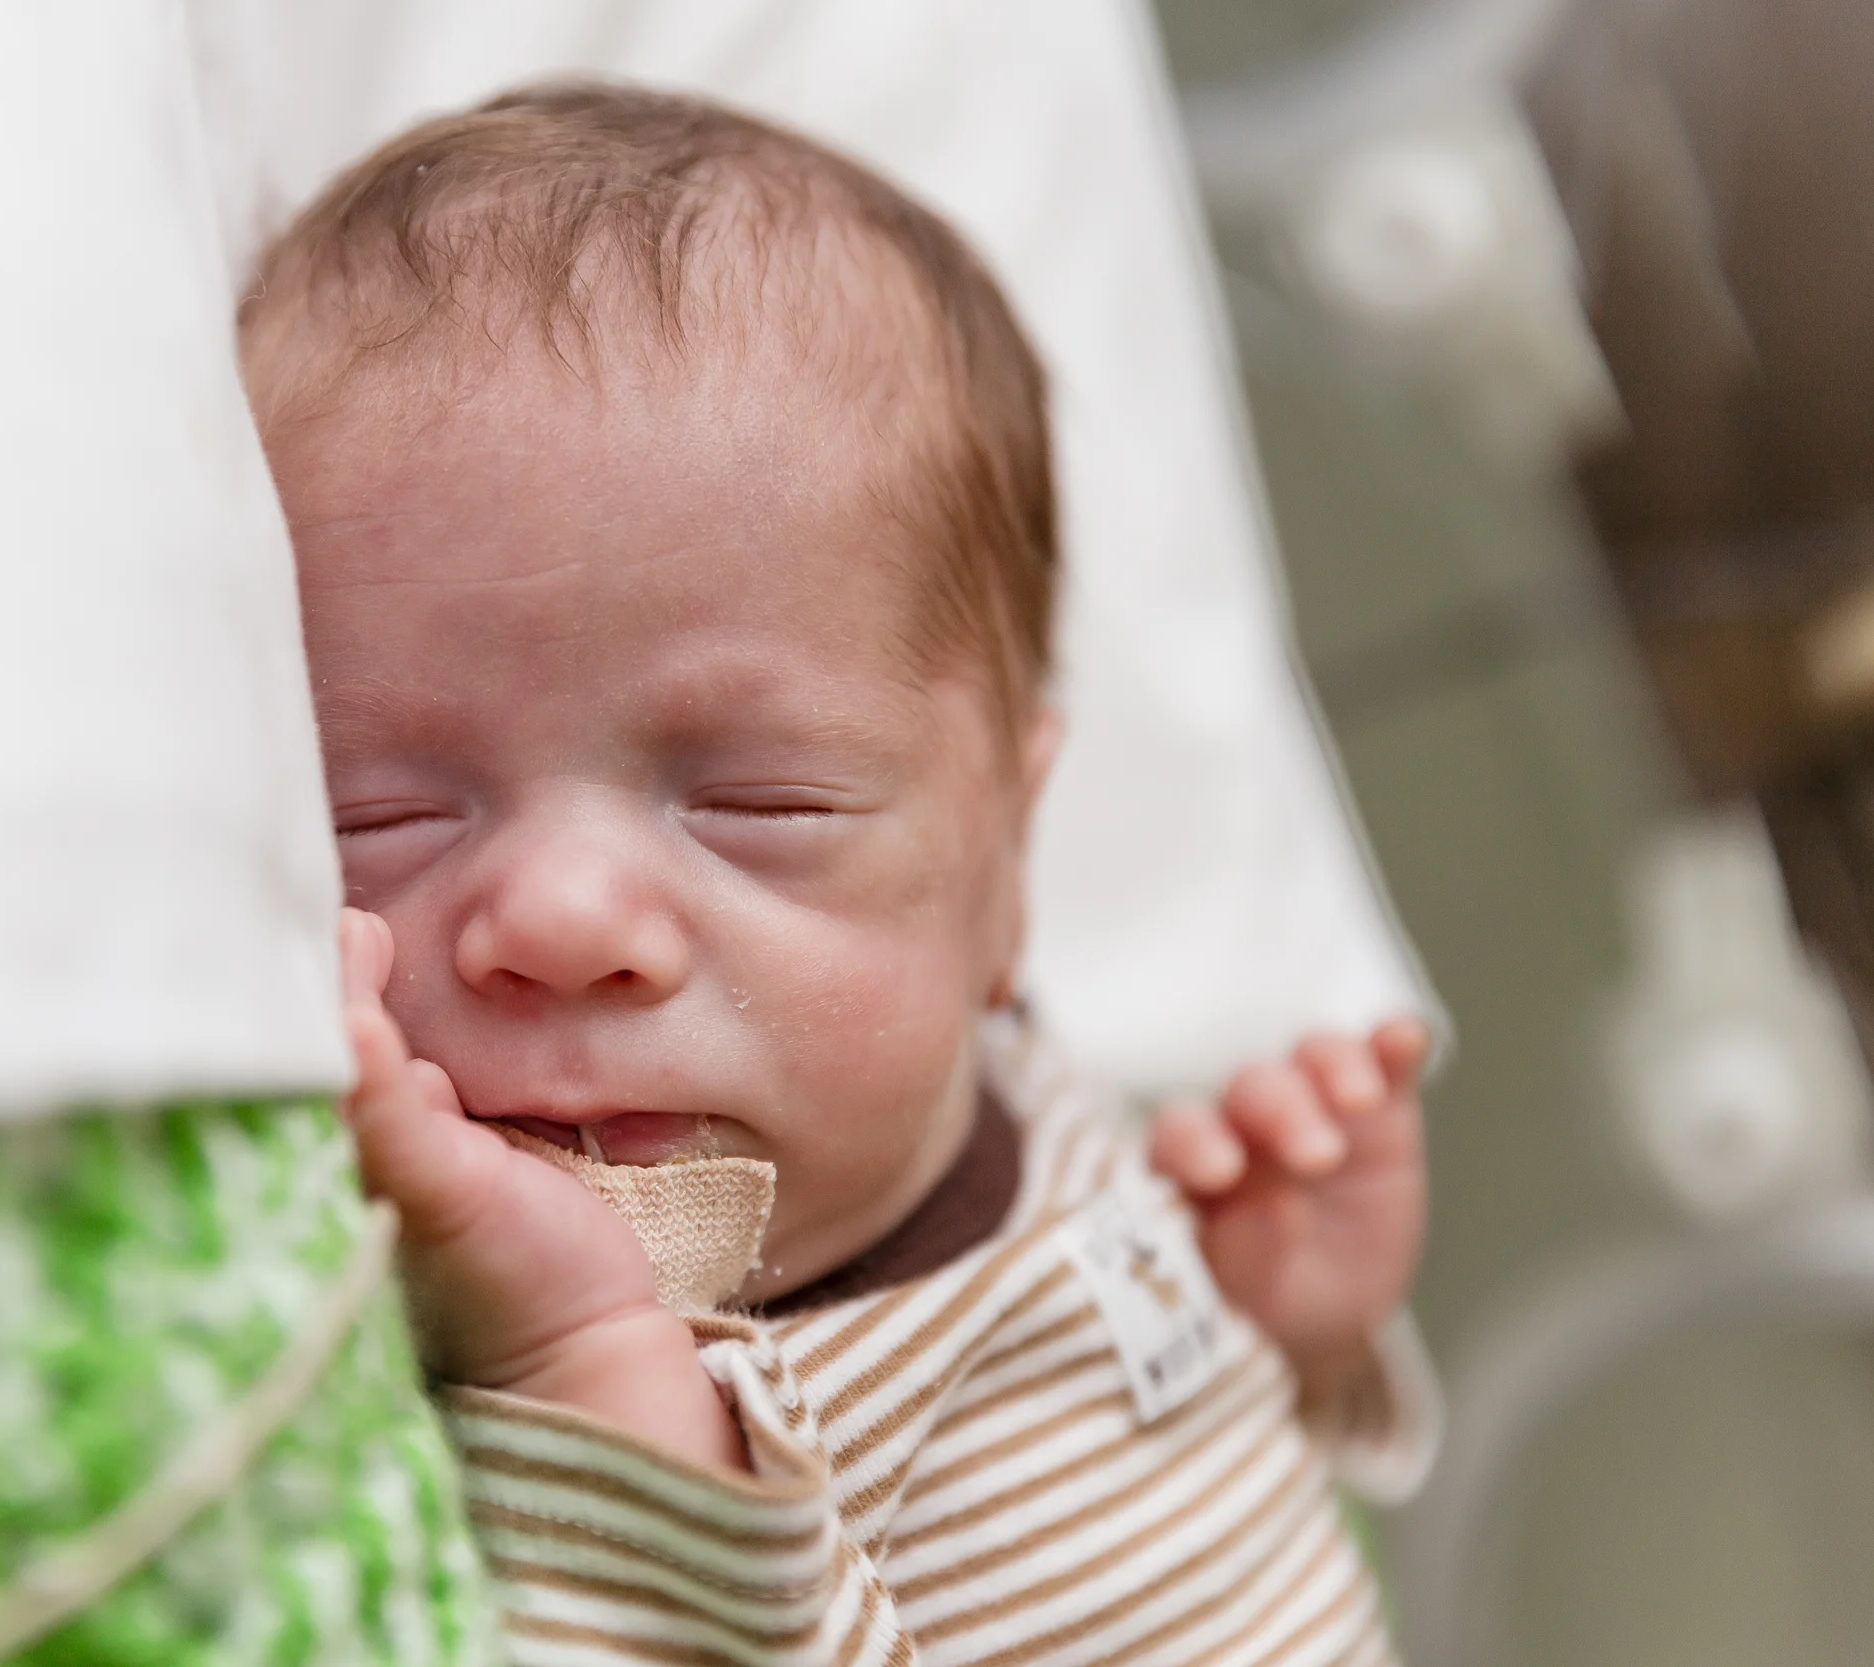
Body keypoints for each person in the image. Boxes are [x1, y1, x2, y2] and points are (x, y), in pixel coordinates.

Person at [242, 82, 1433, 1666]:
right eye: (381, 814)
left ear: (1004, 872)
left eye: (756, 803)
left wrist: (1275, 1325)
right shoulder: (435, 1389)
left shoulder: (1032, 1102)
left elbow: (1146, 1482)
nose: (565, 919)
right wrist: (581, 1358)